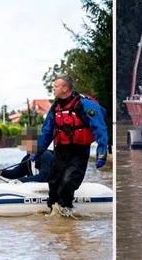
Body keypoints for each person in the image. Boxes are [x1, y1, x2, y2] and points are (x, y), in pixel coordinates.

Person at [36, 74, 108, 217]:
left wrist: (102, 153)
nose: (53, 88)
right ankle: (54, 213)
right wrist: (36, 151)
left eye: (56, 86)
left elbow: (100, 129)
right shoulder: (55, 107)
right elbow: (47, 131)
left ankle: (67, 211)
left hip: (79, 151)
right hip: (61, 150)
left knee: (69, 180)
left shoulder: (84, 105)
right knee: (54, 181)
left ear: (65, 88)